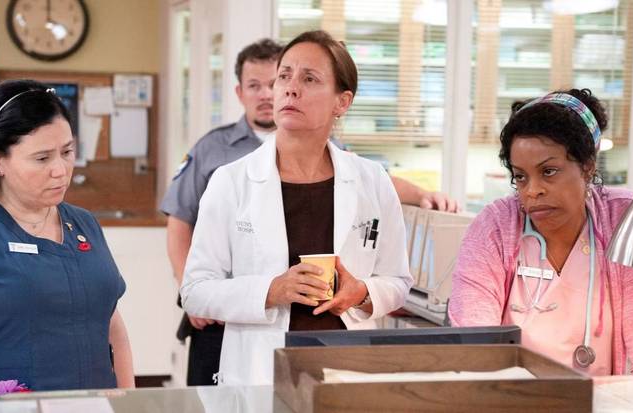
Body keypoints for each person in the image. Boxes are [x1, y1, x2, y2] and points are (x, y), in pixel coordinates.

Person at [161, 38, 457, 386]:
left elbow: (397, 282)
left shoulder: (372, 180)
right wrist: (271, 290)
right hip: (260, 369)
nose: (290, 89)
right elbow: (196, 290)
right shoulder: (231, 181)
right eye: (284, 77)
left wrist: (361, 293)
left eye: (309, 79)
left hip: (346, 365)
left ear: (342, 102)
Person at [0, 80, 135, 393]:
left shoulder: (84, 224)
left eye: (67, 152)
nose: (60, 170)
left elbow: (115, 333)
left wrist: (129, 401)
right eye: (42, 158)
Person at [448, 89, 633, 375]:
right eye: (520, 176)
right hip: (510, 400)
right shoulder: (494, 227)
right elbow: (474, 347)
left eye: (549, 171)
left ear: (588, 166)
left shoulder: (626, 219)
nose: (532, 190)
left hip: (603, 402)